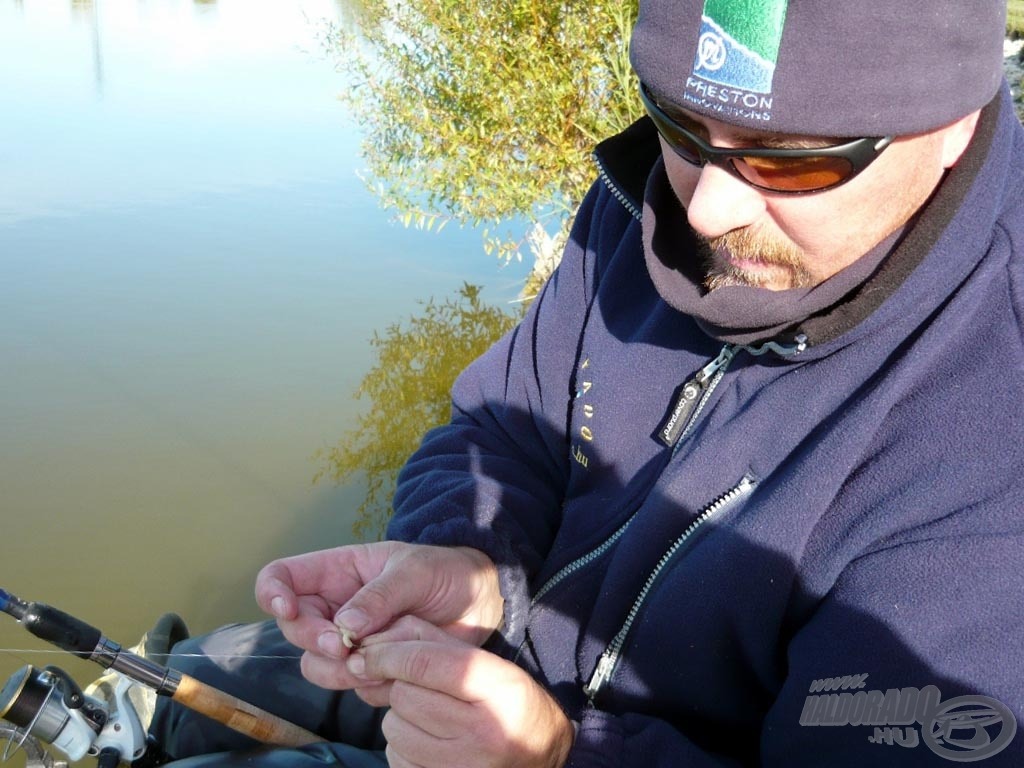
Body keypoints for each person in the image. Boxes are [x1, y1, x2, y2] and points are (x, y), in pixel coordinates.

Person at [148, 0, 1024, 765]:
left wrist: (556, 756)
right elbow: (503, 428)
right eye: (680, 122)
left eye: (788, 160)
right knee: (178, 682)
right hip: (487, 678)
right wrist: (472, 563)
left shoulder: (993, 450)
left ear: (948, 124)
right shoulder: (643, 205)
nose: (707, 211)